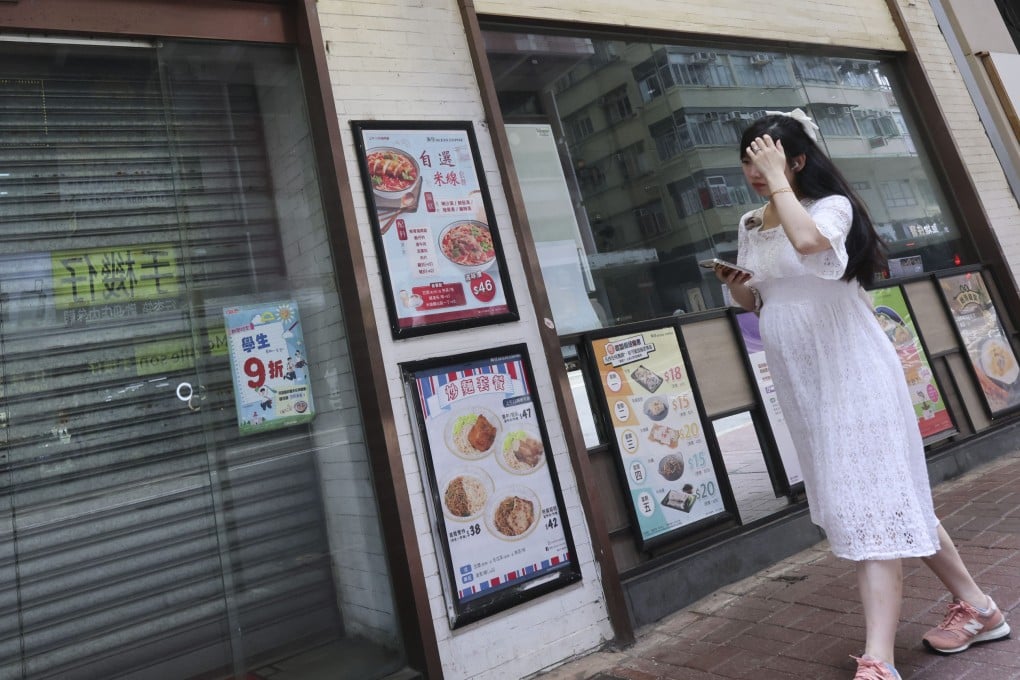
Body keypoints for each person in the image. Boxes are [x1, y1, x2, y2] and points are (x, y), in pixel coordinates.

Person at [715, 109, 1010, 680]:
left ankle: (878, 661)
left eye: (768, 156)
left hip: (853, 371)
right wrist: (741, 287)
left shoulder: (831, 209)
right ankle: (980, 609)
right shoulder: (751, 223)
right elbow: (760, 303)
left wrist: (780, 183)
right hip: (804, 381)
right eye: (749, 159)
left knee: (869, 504)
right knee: (891, 498)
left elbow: (807, 243)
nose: (755, 168)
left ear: (797, 160)